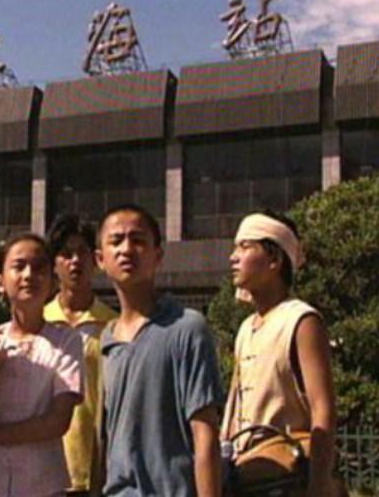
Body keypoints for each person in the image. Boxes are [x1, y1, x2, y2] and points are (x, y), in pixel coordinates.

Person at [95, 204, 223, 497]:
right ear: (100, 259)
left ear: (158, 255)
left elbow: (205, 435)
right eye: (116, 241)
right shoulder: (107, 340)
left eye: (138, 240)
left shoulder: (187, 328)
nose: (127, 249)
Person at [0, 233, 84, 497]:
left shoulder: (66, 341)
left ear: (52, 281)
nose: (29, 275)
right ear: (0, 282)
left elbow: (57, 421)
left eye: (39, 267)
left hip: (43, 484)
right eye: (19, 266)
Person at [221, 211, 337, 496]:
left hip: (288, 478)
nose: (233, 257)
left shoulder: (301, 320)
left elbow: (323, 408)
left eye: (245, 247)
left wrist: (318, 486)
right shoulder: (246, 327)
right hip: (245, 475)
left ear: (274, 259)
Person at [44, 214, 117, 496]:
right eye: (66, 254)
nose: (75, 261)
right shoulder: (39, 323)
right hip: (45, 467)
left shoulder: (112, 326)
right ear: (54, 264)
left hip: (98, 469)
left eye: (82, 252)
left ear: (95, 260)